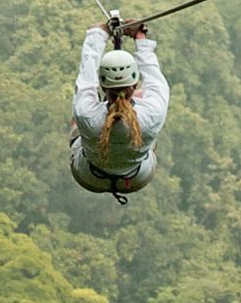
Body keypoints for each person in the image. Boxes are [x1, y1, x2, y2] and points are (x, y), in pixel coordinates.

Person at [70, 19, 170, 203]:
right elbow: (154, 78)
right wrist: (140, 37)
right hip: (136, 177)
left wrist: (100, 33)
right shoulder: (153, 112)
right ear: (135, 83)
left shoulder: (86, 114)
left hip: (90, 176)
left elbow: (86, 76)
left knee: (78, 114)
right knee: (144, 103)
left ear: (103, 86)